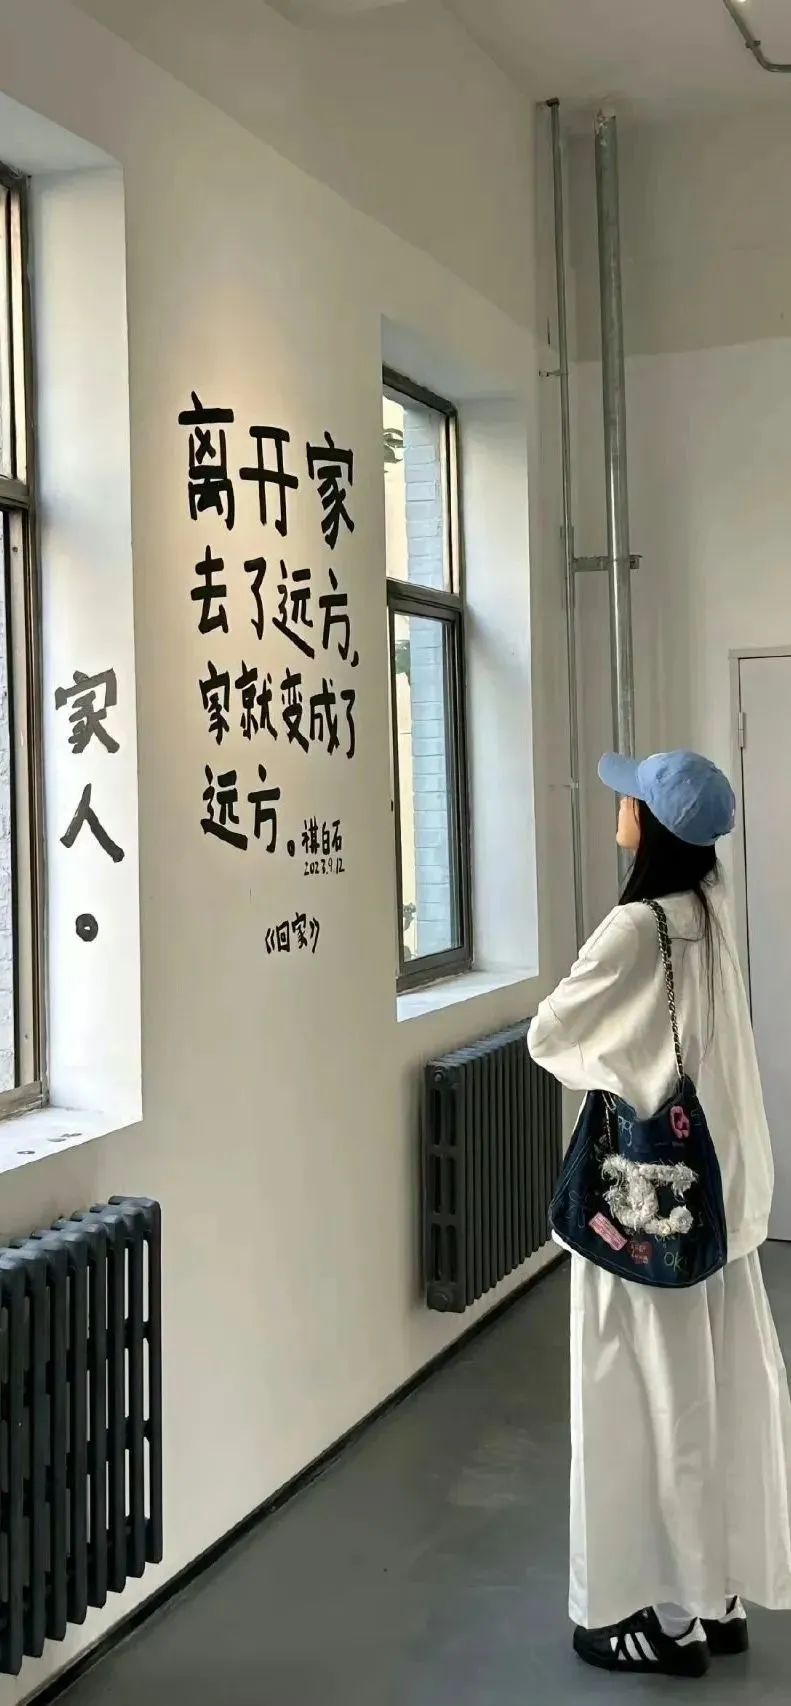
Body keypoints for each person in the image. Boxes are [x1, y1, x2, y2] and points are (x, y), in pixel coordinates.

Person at [528, 750, 791, 1678]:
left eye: (631, 798)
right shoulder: (710, 912)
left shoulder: (634, 927)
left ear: (653, 826)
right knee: (708, 1396)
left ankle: (658, 1621)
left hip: (640, 1210)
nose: (620, 806)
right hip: (714, 1206)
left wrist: (620, 1076)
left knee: (637, 1404)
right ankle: (715, 1597)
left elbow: (549, 1034)